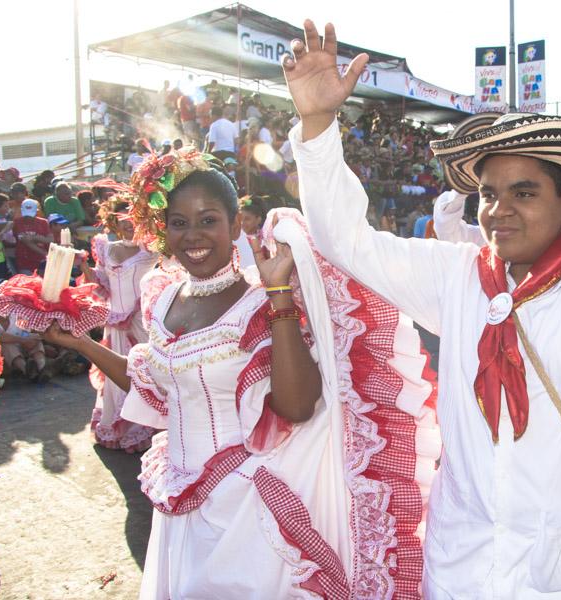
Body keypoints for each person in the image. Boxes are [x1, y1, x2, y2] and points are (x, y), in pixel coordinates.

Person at [282, 3, 561, 595]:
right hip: (461, 564)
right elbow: (346, 241)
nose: (499, 209)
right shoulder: (459, 277)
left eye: (524, 191)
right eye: (488, 193)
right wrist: (316, 126)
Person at [43, 147, 439, 598]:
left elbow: (297, 405)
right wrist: (79, 343)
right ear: (163, 230)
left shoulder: (258, 303)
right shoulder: (163, 299)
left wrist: (279, 297)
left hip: (249, 511)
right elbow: (150, 387)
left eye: (208, 220)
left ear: (235, 227)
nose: (193, 235)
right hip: (179, 506)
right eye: (179, 222)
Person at [78, 198, 158, 453]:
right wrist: (84, 268)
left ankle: (147, 425)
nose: (128, 227)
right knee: (115, 373)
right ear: (114, 222)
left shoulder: (151, 250)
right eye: (122, 222)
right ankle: (121, 425)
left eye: (132, 222)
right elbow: (101, 286)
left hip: (142, 321)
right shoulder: (106, 248)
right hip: (115, 323)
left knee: (147, 371)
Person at [12, 199, 50, 275]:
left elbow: (50, 239)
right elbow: (26, 241)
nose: (28, 217)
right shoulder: (17, 222)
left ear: (36, 211)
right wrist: (45, 253)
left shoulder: (43, 222)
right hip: (24, 261)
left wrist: (34, 237)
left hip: (41, 260)